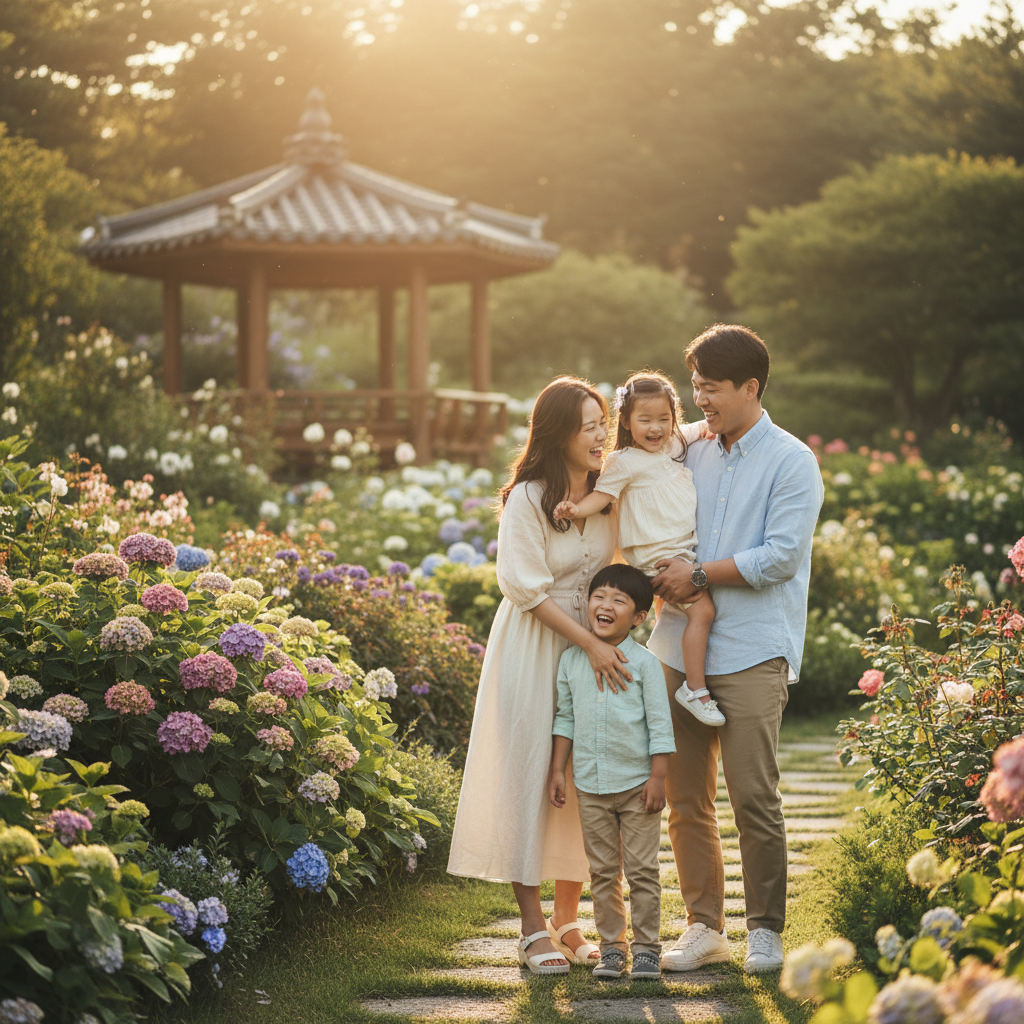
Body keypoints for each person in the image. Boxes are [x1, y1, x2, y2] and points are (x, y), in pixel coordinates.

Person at [648, 324, 824, 974]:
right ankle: (704, 927)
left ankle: (765, 930)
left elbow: (780, 558)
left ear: (750, 387)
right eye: (695, 385)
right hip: (676, 646)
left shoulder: (792, 461)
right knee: (685, 800)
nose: (700, 399)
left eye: (712, 388)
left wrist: (697, 575)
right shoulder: (689, 448)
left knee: (753, 796)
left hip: (753, 647)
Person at [447, 376, 631, 975]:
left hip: (594, 644)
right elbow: (524, 587)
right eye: (589, 426)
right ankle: (531, 928)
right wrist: (591, 645)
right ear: (558, 434)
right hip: (536, 644)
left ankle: (568, 920)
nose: (601, 436)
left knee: (584, 778)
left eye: (604, 423)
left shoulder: (609, 493)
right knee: (531, 771)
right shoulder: (527, 498)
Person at [553, 370, 723, 727]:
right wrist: (575, 509)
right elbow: (602, 496)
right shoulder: (624, 460)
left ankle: (673, 680)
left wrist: (713, 426)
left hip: (678, 552)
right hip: (657, 558)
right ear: (627, 422)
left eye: (664, 418)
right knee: (703, 611)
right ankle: (695, 689)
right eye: (645, 420)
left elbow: (697, 428)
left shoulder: (673, 444)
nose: (656, 428)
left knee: (687, 613)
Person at [549, 564, 676, 979]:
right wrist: (558, 770)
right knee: (602, 872)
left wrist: (658, 778)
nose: (605, 605)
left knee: (642, 871)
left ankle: (647, 949)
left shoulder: (646, 665)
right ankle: (612, 949)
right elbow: (565, 719)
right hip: (590, 785)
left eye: (618, 600)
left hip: (638, 786)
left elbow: (660, 724)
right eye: (599, 596)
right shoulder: (571, 661)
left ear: (639, 617)